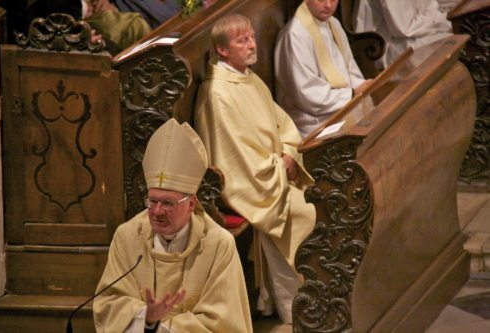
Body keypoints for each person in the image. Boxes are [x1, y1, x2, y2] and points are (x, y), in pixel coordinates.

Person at [194, 14, 316, 324]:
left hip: (273, 173)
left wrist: (289, 151)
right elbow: (232, 156)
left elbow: (282, 122)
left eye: (251, 37)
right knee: (309, 212)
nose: (252, 45)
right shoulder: (217, 93)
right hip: (252, 185)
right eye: (242, 40)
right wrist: (280, 166)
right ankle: (301, 309)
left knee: (320, 200)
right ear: (223, 50)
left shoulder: (247, 77)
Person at [93, 119, 253, 333]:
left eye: (167, 203)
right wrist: (146, 317)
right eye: (152, 201)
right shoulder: (127, 236)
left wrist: (162, 328)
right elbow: (108, 304)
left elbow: (223, 321)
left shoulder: (218, 244)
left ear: (191, 204)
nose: (157, 211)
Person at [274, 0, 372, 138]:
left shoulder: (333, 24)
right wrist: (351, 94)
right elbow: (308, 94)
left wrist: (363, 85)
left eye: (332, 0)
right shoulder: (295, 36)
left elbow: (348, 69)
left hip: (340, 107)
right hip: (314, 123)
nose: (328, 5)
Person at [353, 0, 453, 66]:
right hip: (383, 47)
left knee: (456, 35)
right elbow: (404, 28)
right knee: (450, 42)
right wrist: (443, 23)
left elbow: (429, 6)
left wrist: (442, 21)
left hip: (407, 33)